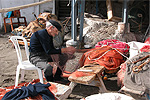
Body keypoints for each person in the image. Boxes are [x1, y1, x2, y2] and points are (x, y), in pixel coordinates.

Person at [29, 20, 76, 84]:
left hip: (45, 54)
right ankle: (50, 82)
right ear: (51, 28)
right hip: (36, 56)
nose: (57, 33)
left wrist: (64, 53)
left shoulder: (49, 35)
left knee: (64, 57)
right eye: (56, 31)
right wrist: (65, 50)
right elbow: (49, 51)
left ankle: (57, 77)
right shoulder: (42, 34)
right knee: (48, 67)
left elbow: (52, 49)